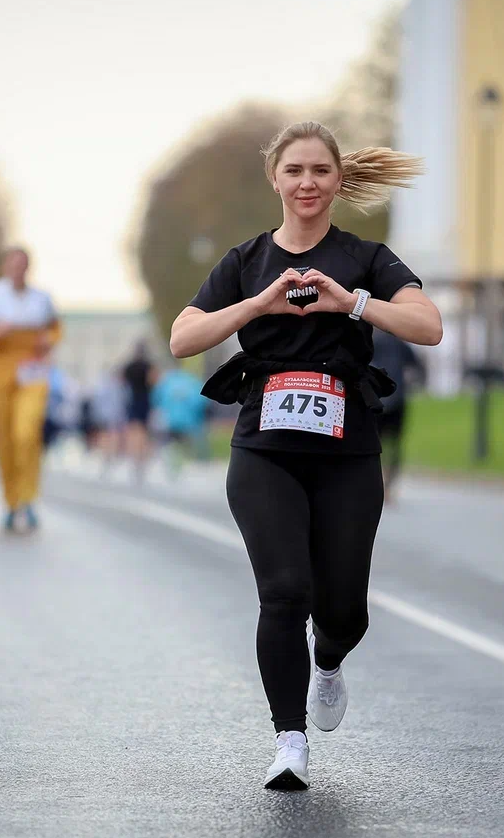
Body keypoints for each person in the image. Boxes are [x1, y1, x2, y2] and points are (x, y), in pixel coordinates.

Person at [169, 121, 442, 790]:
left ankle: (329, 658)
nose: (308, 182)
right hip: (265, 448)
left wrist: (352, 303)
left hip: (348, 452)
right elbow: (183, 336)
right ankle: (289, 740)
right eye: (295, 170)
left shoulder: (367, 258)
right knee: (285, 591)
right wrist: (256, 304)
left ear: (339, 179)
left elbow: (428, 326)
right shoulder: (247, 261)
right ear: (276, 178)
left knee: (344, 608)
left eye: (320, 170)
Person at [0, 248, 62, 531]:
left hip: (32, 371)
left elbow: (56, 330)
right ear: (4, 267)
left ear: (29, 268)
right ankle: (10, 501)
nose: (19, 269)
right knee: (4, 439)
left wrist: (48, 340)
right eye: (13, 264)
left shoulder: (42, 299)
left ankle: (29, 498)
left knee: (27, 432)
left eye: (24, 265)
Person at [370, 326, 425, 505]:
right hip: (397, 397)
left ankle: (378, 485)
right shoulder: (400, 344)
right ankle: (389, 485)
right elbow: (416, 367)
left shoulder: (372, 342)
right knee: (394, 444)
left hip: (376, 400)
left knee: (374, 446)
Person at [150, 362, 210, 479]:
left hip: (170, 420)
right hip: (188, 421)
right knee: (185, 443)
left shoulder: (166, 382)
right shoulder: (192, 381)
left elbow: (156, 399)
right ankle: (187, 463)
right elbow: (201, 400)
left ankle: (173, 465)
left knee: (171, 444)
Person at [121, 341, 157, 482]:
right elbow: (153, 381)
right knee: (144, 433)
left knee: (134, 432)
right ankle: (141, 459)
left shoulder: (129, 366)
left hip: (132, 400)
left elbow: (122, 380)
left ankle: (134, 458)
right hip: (145, 400)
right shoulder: (148, 366)